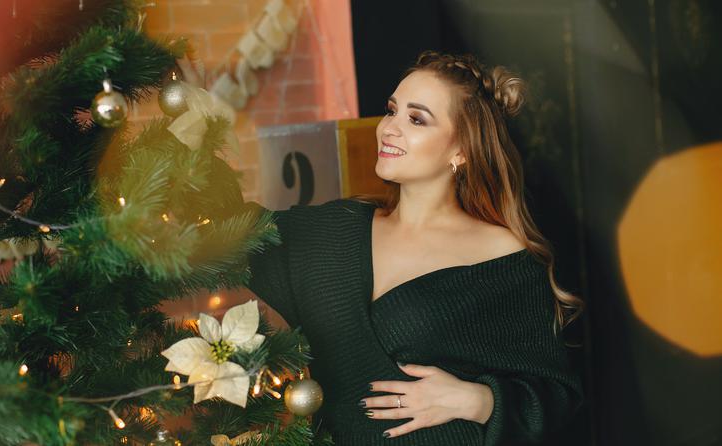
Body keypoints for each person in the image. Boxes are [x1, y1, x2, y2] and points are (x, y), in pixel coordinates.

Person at [243, 50, 584, 445]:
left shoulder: (500, 253)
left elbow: (557, 397)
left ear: (462, 151)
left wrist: (479, 399)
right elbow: (228, 230)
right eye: (391, 110)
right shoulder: (336, 230)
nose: (389, 127)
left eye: (416, 118)